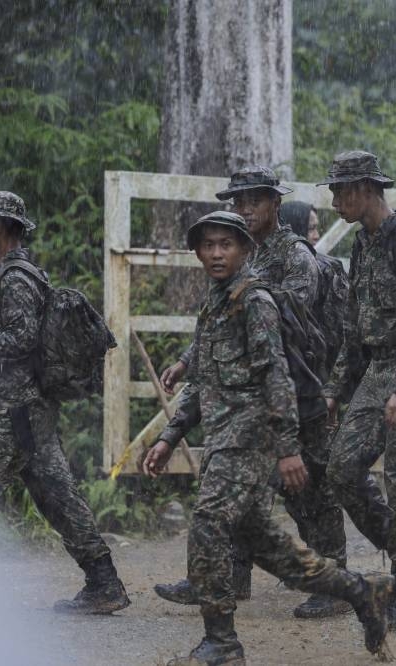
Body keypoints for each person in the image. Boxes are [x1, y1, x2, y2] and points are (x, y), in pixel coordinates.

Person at [143, 211, 391, 666]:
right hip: (223, 436)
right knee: (268, 546)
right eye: (209, 245)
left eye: (226, 245)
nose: (217, 253)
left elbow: (276, 375)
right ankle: (360, 590)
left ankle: (222, 642)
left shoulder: (254, 300)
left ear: (245, 250)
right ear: (198, 252)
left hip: (251, 437)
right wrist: (170, 434)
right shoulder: (216, 301)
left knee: (208, 525)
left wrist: (287, 448)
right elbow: (208, 374)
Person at [154, 166, 353, 619]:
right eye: (238, 202)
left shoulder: (294, 256)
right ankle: (222, 577)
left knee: (311, 492)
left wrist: (323, 393)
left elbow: (289, 331)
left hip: (296, 386)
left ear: (275, 204)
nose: (245, 209)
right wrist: (189, 360)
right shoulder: (242, 253)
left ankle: (337, 583)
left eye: (254, 201)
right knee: (237, 491)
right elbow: (223, 318)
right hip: (251, 395)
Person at [0, 191, 129, 614]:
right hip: (28, 409)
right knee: (57, 497)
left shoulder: (15, 278)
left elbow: (20, 341)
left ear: (1, 227)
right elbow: (8, 352)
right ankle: (104, 583)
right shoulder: (10, 273)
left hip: (15, 411)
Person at [320, 150, 396, 630]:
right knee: (342, 468)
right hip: (376, 370)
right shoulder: (362, 244)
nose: (335, 201)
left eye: (341, 190)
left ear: (368, 189)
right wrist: (335, 389)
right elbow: (354, 326)